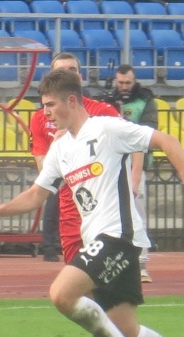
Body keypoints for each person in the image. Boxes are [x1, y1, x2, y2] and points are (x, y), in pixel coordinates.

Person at [0, 69, 184, 337]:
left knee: (62, 294)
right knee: (126, 328)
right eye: (43, 106)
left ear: (71, 101)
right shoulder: (60, 148)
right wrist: (0, 210)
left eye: (50, 105)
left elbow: (166, 140)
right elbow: (36, 195)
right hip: (100, 240)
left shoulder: (106, 129)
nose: (45, 113)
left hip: (118, 236)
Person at [30, 53, 121, 264]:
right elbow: (43, 167)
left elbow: (137, 143)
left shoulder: (103, 111)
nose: (67, 75)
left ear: (80, 77)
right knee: (75, 268)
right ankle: (49, 247)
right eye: (61, 71)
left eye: (72, 70)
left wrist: (133, 179)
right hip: (67, 195)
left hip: (101, 197)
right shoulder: (40, 117)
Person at [105, 64, 158, 282]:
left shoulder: (145, 100)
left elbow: (147, 132)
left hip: (137, 162)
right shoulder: (108, 100)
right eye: (121, 83)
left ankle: (141, 263)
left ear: (134, 82)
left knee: (137, 213)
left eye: (128, 83)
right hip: (112, 163)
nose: (124, 87)